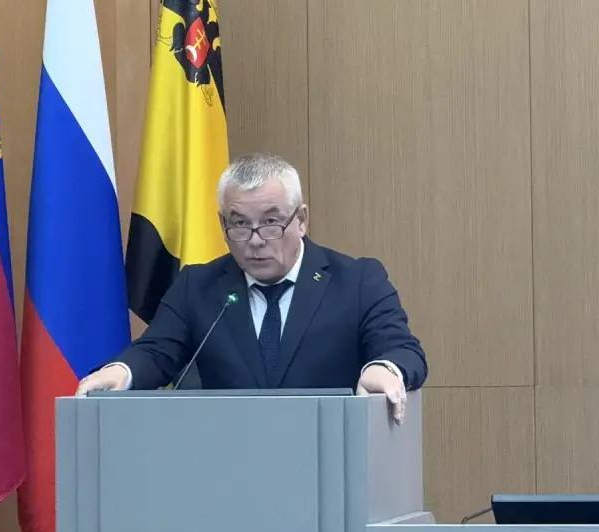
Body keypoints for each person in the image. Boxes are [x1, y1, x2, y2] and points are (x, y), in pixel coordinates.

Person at [75, 153, 427, 422]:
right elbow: (156, 352)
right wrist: (121, 371)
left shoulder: (357, 281)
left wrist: (383, 369)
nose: (255, 241)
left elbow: (402, 349)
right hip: (229, 468)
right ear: (222, 224)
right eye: (240, 225)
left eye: (271, 222)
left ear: (301, 220)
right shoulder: (198, 287)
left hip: (332, 463)